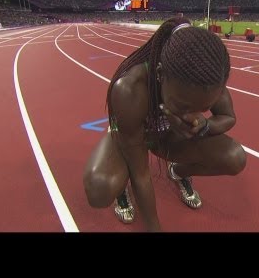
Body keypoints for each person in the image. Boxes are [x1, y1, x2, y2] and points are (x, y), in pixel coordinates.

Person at [83, 17, 247, 232]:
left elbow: (228, 117)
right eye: (182, 105)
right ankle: (121, 189)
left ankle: (178, 172)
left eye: (201, 107)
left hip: (168, 135)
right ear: (160, 75)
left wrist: (204, 126)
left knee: (235, 158)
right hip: (134, 133)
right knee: (100, 189)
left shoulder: (205, 78)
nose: (190, 114)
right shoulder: (130, 89)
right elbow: (141, 173)